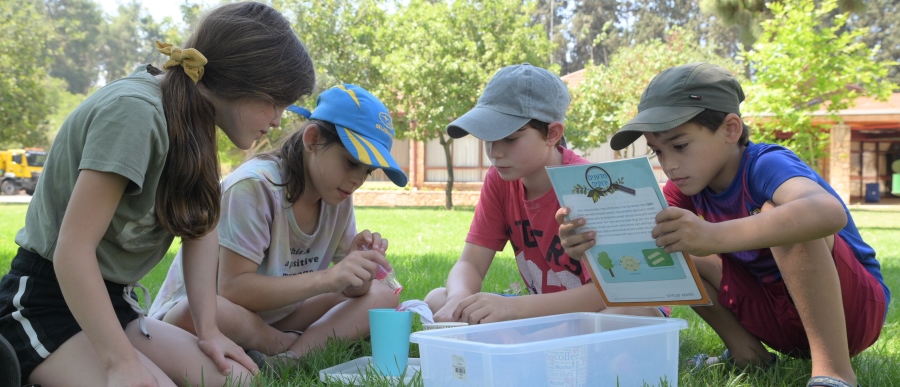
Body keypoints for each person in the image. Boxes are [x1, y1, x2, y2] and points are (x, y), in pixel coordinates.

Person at [0, 2, 316, 386]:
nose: (278, 119)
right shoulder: (135, 113)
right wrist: (121, 363)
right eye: (275, 101)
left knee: (238, 380)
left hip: (115, 303)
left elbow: (201, 231)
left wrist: (209, 330)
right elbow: (73, 249)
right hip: (45, 302)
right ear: (238, 82)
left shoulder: (193, 121)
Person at [560, 62, 889, 387]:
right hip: (777, 318)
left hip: (851, 314)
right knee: (673, 238)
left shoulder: (765, 164)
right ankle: (748, 354)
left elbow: (828, 213)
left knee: (786, 217)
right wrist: (590, 240)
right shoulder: (686, 185)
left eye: (680, 146)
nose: (670, 165)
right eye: (658, 151)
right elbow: (647, 240)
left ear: (731, 130)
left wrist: (712, 236)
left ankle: (833, 373)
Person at [149, 84, 407, 371]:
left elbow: (351, 294)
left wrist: (361, 275)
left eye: (367, 170)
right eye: (350, 163)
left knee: (383, 293)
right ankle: (283, 345)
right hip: (217, 314)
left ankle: (289, 359)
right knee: (196, 313)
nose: (358, 179)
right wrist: (329, 278)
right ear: (312, 139)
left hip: (282, 312)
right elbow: (233, 289)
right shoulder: (256, 186)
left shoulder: (338, 198)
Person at [424, 63, 665, 325]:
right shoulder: (500, 179)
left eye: (511, 138)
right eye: (488, 139)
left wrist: (514, 309)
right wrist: (458, 299)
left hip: (612, 307)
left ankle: (525, 346)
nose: (495, 152)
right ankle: (528, 345)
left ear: (552, 134)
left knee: (630, 314)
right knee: (439, 298)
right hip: (544, 314)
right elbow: (470, 263)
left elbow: (614, 291)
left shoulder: (590, 187)